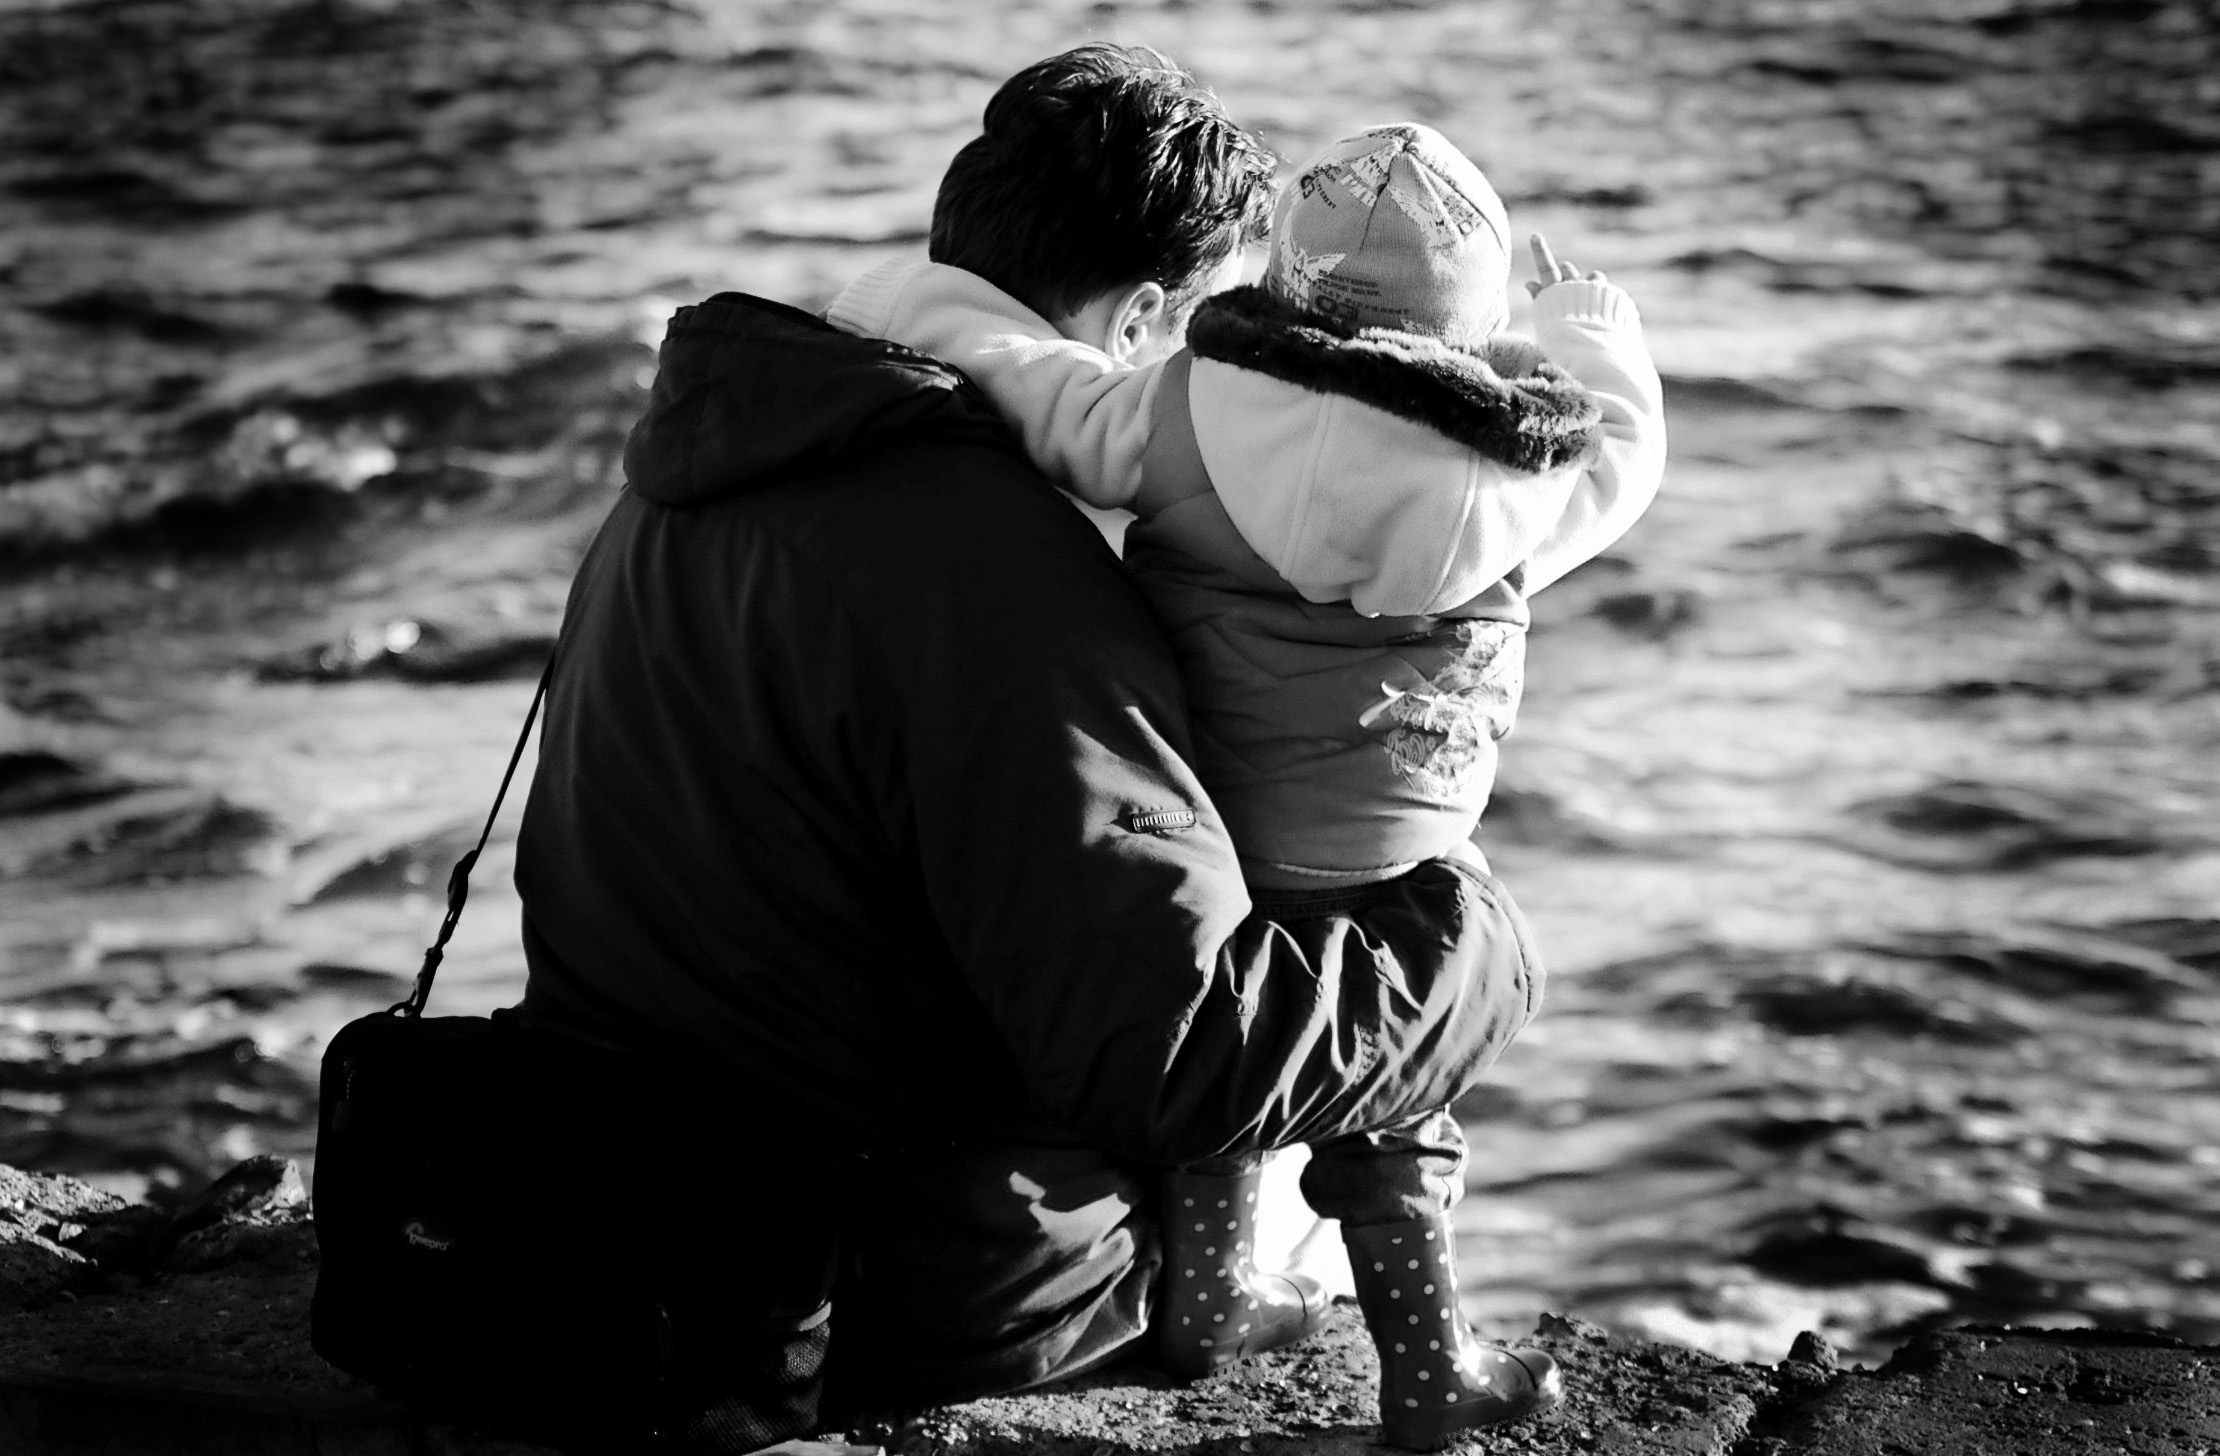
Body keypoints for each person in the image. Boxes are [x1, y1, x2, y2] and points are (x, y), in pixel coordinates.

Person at [509, 45, 1549, 1445]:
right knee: (1315, 1175)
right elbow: (1176, 1061)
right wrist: (1475, 946)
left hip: (603, 1185)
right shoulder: (1007, 575)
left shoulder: (711, 456)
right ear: (1146, 319)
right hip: (873, 1273)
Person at [829, 120, 1667, 1447]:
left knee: (1245, 1050)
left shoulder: (1183, 410)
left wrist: (913, 302)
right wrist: (1587, 327)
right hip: (1394, 843)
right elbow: (1624, 452)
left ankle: (1210, 1298)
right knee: (1396, 1090)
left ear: (1279, 282)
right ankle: (1429, 1369)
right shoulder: (1519, 479)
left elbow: (1039, 392)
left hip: (1215, 819)